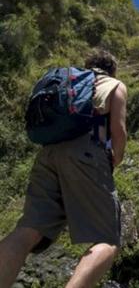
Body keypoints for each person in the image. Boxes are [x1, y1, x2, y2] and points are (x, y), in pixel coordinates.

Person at [0, 50, 128, 287]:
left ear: (87, 65)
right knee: (106, 241)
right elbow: (118, 132)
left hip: (47, 154)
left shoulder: (69, 81)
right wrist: (114, 160)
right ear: (112, 69)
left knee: (29, 229)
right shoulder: (113, 84)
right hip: (86, 152)